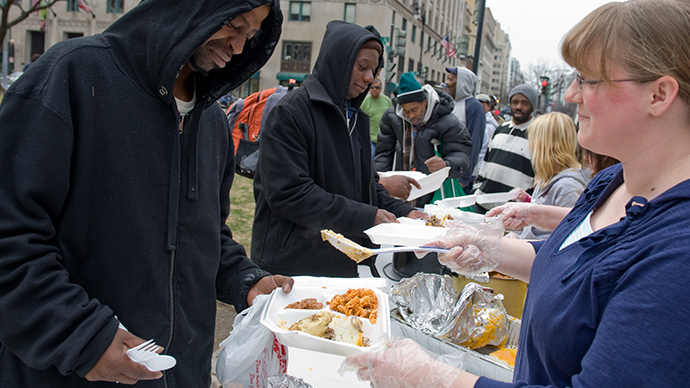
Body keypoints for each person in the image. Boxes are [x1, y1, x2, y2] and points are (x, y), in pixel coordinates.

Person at [343, 1, 690, 387]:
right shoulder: (611, 182)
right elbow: (575, 263)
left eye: (589, 80)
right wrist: (492, 250)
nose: (572, 94)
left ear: (659, 95)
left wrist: (434, 379)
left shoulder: (677, 255)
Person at [0, 1, 294, 387]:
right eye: (233, 25)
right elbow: (11, 236)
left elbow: (204, 234)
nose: (239, 47)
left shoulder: (213, 125)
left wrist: (246, 281)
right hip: (68, 370)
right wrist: (81, 336)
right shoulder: (71, 75)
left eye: (251, 36)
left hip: (180, 372)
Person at [251, 22, 427, 278]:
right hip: (290, 264)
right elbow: (290, 193)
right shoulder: (290, 112)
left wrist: (404, 211)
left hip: (339, 258)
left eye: (374, 70)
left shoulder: (355, 117)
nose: (370, 78)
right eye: (362, 67)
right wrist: (367, 216)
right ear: (338, 62)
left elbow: (365, 186)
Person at [374, 71, 473, 206]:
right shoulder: (392, 117)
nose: (411, 115)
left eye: (415, 109)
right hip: (400, 188)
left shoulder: (447, 120)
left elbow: (462, 152)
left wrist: (446, 164)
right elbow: (384, 153)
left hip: (433, 192)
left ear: (425, 102)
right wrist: (381, 185)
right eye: (406, 111)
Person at [496, 112, 590, 240]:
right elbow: (544, 212)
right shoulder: (548, 177)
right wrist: (527, 201)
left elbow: (562, 237)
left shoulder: (568, 187)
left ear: (543, 147)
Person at [473, 84, 538, 212]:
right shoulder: (501, 128)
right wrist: (478, 187)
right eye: (515, 102)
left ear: (532, 106)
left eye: (524, 103)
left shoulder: (538, 135)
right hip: (483, 204)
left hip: (513, 211)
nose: (518, 107)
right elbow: (485, 163)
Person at [445, 66, 486, 191]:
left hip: (461, 175)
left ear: (462, 84)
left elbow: (474, 142)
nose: (446, 83)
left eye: (451, 80)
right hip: (447, 169)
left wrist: (465, 176)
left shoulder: (474, 107)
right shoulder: (449, 103)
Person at [361, 77, 392, 157]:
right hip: (370, 139)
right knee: (370, 161)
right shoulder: (364, 101)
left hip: (384, 138)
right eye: (372, 87)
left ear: (381, 88)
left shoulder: (387, 100)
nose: (374, 89)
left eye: (377, 87)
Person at [474, 94, 499, 176]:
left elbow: (483, 151)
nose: (480, 109)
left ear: (489, 107)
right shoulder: (475, 120)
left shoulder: (489, 127)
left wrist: (478, 172)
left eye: (483, 106)